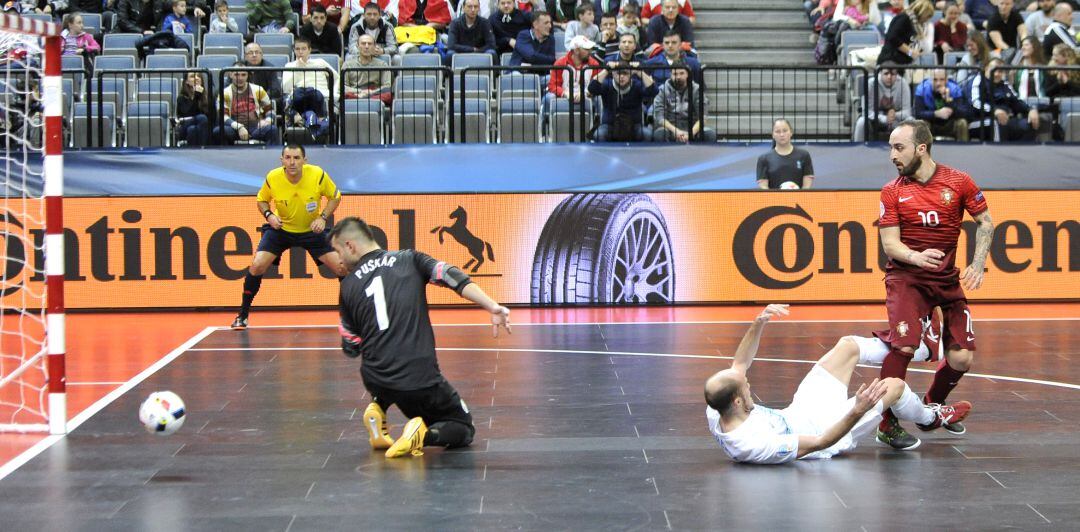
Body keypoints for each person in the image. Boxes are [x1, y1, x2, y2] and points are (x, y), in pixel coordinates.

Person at [331, 216, 512, 458]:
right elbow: (450, 275)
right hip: (418, 382)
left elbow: (351, 346)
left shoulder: (348, 286)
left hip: (374, 378)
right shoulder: (410, 259)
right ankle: (422, 435)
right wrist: (492, 306)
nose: (338, 260)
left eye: (337, 251)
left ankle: (378, 406)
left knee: (383, 362)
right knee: (463, 427)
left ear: (350, 246)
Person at [705, 304, 971, 464]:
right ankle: (930, 417)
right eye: (746, 387)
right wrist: (858, 409)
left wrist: (758, 322)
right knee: (893, 387)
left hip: (800, 411)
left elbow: (738, 365)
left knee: (848, 346)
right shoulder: (753, 444)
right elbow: (820, 442)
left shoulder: (718, 405)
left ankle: (921, 349)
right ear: (737, 401)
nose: (748, 383)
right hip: (828, 431)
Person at [875, 119, 994, 450]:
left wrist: (978, 263)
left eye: (899, 147)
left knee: (961, 359)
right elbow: (890, 245)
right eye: (891, 148)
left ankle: (930, 408)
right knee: (904, 346)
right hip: (906, 278)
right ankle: (887, 423)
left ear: (921, 148)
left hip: (945, 279)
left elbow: (986, 222)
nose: (892, 155)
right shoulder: (892, 190)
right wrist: (915, 256)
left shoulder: (958, 181)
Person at [231, 145, 348, 330]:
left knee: (342, 269)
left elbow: (335, 196)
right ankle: (242, 315)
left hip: (311, 231)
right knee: (257, 265)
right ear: (282, 160)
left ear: (304, 160)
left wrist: (323, 217)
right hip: (281, 230)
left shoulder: (317, 175)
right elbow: (261, 200)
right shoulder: (273, 177)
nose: (292, 162)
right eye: (288, 158)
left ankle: (348, 317)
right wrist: (269, 215)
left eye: (296, 158)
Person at [965, 57, 1039, 141]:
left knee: (1028, 124)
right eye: (993, 70)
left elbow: (1017, 101)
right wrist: (994, 110)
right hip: (979, 119)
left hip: (1006, 118)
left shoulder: (1005, 84)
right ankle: (999, 153)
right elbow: (975, 103)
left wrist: (1031, 110)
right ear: (986, 68)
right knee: (997, 124)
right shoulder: (977, 80)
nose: (996, 74)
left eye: (1000, 71)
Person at [588, 60, 658, 141]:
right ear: (613, 74)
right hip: (610, 125)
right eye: (618, 73)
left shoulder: (637, 85)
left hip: (634, 126)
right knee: (599, 134)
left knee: (647, 134)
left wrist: (640, 72)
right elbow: (592, 88)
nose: (621, 76)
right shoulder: (607, 85)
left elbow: (654, 91)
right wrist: (606, 70)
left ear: (631, 74)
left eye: (625, 73)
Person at [283, 38, 339, 139]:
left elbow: (337, 77)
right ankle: (314, 126)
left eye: (304, 49)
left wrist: (333, 92)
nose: (300, 52)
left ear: (309, 50)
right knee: (292, 98)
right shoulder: (289, 65)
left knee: (316, 97)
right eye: (297, 49)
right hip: (300, 97)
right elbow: (286, 88)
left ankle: (305, 122)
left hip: (321, 95)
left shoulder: (320, 62)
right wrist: (297, 69)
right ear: (294, 51)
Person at [217, 65, 281, 144]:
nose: (240, 78)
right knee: (219, 131)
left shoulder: (258, 90)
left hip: (256, 128)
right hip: (234, 129)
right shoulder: (224, 93)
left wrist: (268, 120)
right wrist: (239, 127)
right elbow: (223, 116)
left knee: (272, 129)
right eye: (236, 74)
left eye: (243, 75)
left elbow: (270, 110)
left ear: (247, 75)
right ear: (231, 75)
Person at [651, 62, 714, 143]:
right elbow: (659, 117)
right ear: (670, 75)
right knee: (659, 134)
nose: (678, 77)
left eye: (682, 73)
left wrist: (690, 134)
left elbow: (703, 117)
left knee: (709, 134)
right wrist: (676, 131)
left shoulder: (697, 90)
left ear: (688, 74)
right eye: (675, 74)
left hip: (692, 127)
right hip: (671, 128)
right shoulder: (662, 90)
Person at [854, 65, 913, 142]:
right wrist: (885, 118)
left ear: (897, 74)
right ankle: (858, 150)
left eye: (893, 74)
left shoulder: (903, 83)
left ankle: (910, 152)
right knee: (861, 122)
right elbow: (866, 111)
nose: (889, 77)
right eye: (886, 73)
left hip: (896, 120)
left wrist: (895, 115)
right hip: (874, 120)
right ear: (880, 73)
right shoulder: (871, 83)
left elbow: (907, 112)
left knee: (912, 122)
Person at [913, 68, 971, 141]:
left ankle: (964, 150)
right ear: (930, 80)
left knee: (962, 123)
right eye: (935, 80)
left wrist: (949, 100)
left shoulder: (955, 89)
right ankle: (922, 151)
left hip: (950, 123)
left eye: (942, 79)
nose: (938, 83)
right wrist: (936, 114)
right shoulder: (922, 89)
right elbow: (918, 113)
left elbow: (964, 113)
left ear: (946, 80)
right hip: (931, 123)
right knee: (922, 124)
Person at [757, 118, 814, 189]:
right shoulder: (764, 158)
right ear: (773, 135)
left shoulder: (804, 155)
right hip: (774, 199)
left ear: (791, 132)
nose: (781, 134)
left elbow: (806, 186)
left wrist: (799, 198)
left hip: (798, 199)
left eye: (785, 131)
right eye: (777, 131)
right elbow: (763, 186)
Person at [877, 0, 934, 67]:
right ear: (922, 12)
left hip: (902, 61)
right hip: (891, 60)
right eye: (927, 16)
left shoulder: (915, 24)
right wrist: (910, 52)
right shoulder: (904, 18)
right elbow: (892, 38)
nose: (927, 20)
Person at [343, 34, 392, 104]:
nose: (366, 46)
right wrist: (360, 91)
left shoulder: (382, 64)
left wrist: (371, 92)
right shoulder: (347, 64)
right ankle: (363, 99)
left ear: (374, 46)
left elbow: (387, 86)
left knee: (388, 95)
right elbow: (343, 87)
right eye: (363, 43)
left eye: (370, 44)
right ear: (357, 46)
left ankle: (363, 99)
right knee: (345, 95)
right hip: (355, 93)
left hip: (374, 94)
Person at [445, 0, 498, 64]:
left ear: (479, 8)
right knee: (450, 54)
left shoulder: (485, 23)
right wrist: (472, 49)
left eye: (475, 7)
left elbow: (492, 45)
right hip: (460, 54)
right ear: (463, 8)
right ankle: (448, 74)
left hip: (480, 54)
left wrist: (478, 51)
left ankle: (495, 74)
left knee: (492, 52)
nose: (473, 9)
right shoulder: (455, 23)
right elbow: (451, 45)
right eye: (469, 6)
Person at [175, 71, 210, 146]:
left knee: (193, 129)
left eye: (198, 76)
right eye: (192, 76)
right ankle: (204, 149)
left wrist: (199, 96)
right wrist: (197, 96)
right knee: (202, 118)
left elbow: (210, 116)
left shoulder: (207, 97)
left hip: (202, 128)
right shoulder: (181, 98)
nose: (196, 78)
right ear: (186, 81)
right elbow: (188, 113)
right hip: (184, 126)